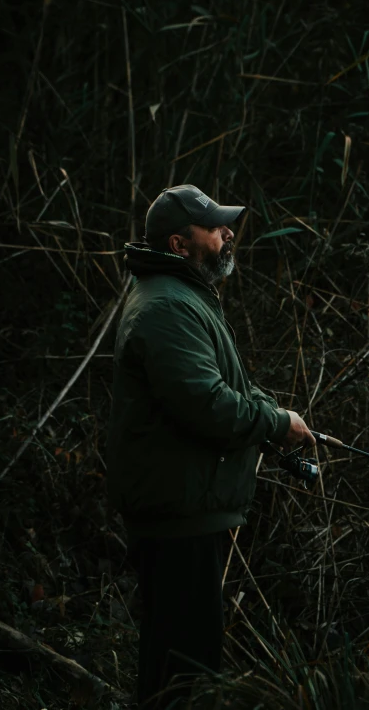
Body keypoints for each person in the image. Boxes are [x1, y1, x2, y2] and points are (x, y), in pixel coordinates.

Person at [106, 185, 315, 708]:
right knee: (186, 672)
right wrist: (274, 422)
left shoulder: (183, 295)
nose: (228, 233)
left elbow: (228, 386)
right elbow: (208, 405)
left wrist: (277, 416)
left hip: (188, 509)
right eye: (215, 227)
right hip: (181, 517)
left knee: (174, 664)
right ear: (180, 243)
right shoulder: (167, 307)